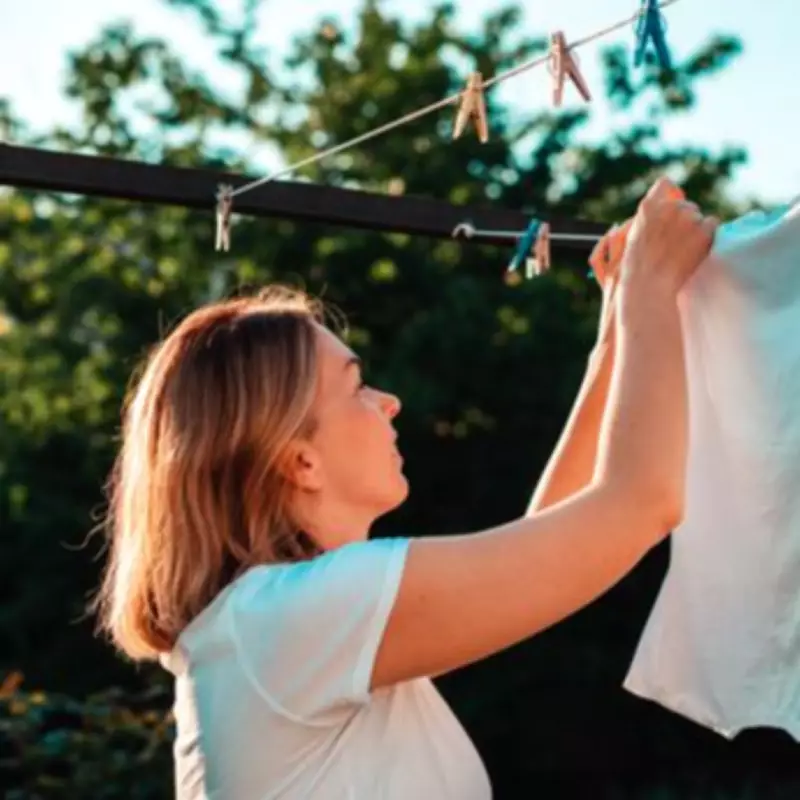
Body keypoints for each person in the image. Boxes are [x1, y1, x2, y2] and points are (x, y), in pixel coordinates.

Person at [92, 176, 718, 799]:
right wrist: (650, 290)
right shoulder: (289, 619)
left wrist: (613, 341)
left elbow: (543, 545)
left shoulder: (286, 627)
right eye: (357, 386)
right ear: (299, 460)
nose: (389, 402)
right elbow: (638, 506)